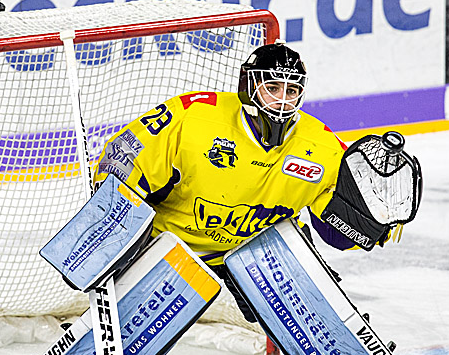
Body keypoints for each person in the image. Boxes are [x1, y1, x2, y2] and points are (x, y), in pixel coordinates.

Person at [93, 42, 391, 320]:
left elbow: (338, 230)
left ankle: (340, 341)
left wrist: (375, 220)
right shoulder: (193, 116)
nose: (282, 100)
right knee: (135, 323)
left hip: (254, 249)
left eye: (291, 90)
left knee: (308, 306)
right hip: (170, 244)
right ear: (249, 85)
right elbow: (123, 164)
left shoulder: (324, 147)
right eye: (272, 87)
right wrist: (111, 232)